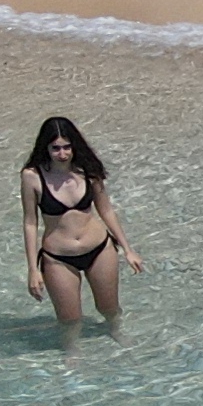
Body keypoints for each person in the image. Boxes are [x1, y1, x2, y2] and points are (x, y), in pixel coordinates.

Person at [21, 117, 143, 329]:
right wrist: (33, 269)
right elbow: (30, 222)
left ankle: (116, 333)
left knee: (110, 309)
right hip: (58, 257)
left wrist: (128, 249)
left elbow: (106, 210)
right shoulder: (32, 176)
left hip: (100, 249)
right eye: (55, 148)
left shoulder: (88, 170)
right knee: (69, 320)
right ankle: (72, 351)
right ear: (45, 147)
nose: (62, 154)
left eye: (67, 147)